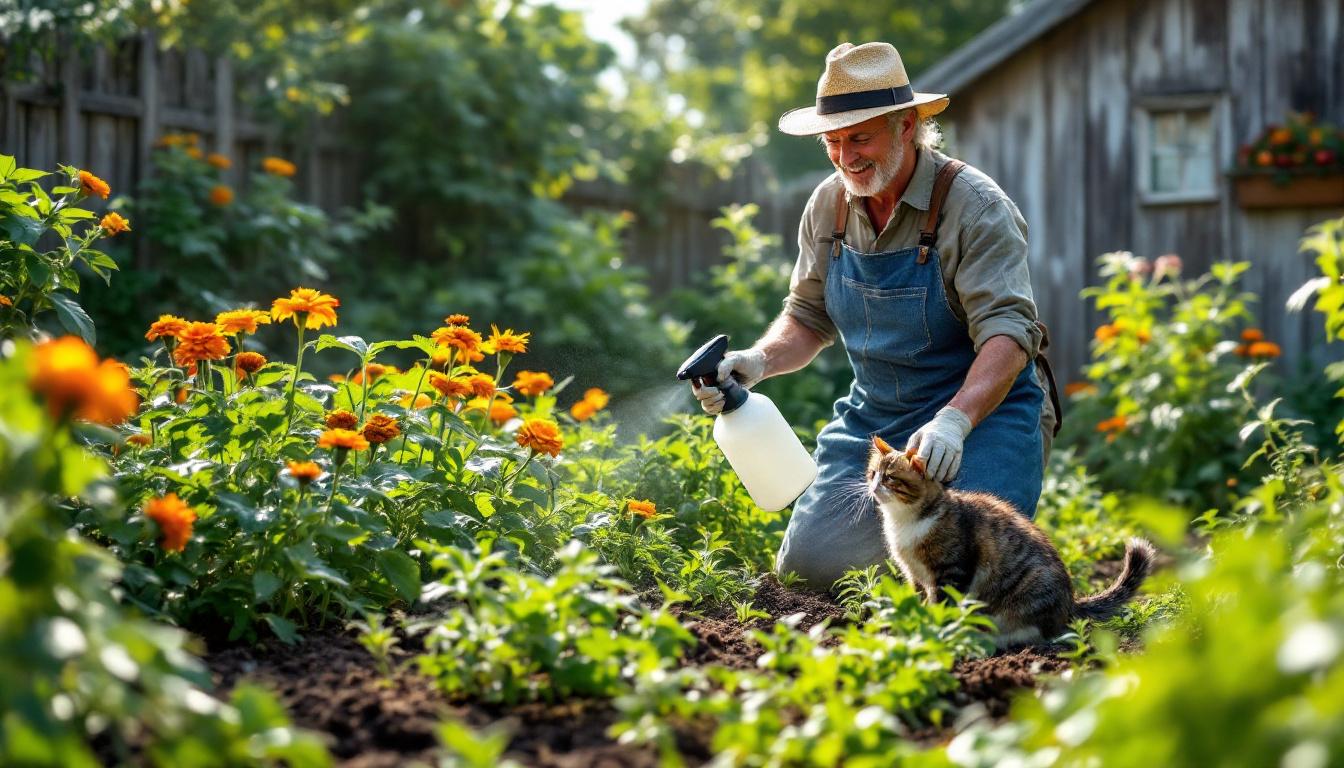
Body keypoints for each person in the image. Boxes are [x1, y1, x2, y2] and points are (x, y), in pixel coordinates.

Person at [690, 41, 1058, 591]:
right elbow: (809, 317)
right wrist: (757, 361)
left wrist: (954, 422)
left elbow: (1008, 333)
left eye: (860, 137)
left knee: (974, 566)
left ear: (906, 124)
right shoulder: (827, 206)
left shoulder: (976, 207)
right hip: (877, 422)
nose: (846, 156)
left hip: (984, 414)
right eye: (832, 142)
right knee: (810, 570)